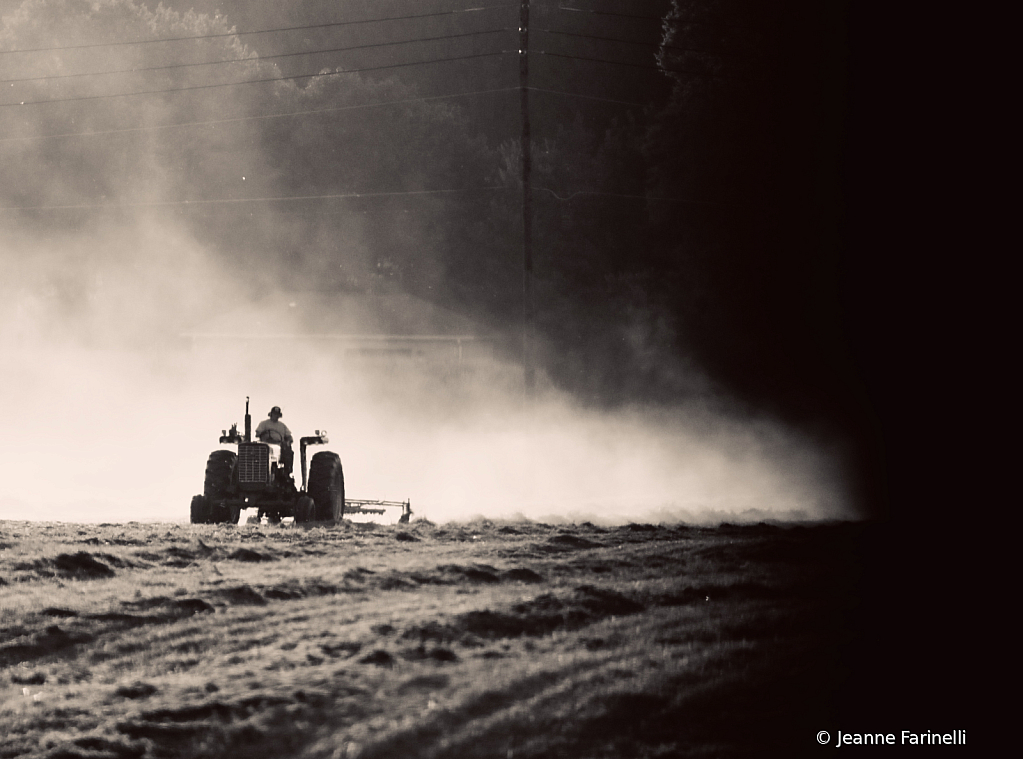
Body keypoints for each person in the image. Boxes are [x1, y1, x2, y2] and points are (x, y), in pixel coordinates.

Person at [255, 406, 294, 475]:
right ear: (271, 414)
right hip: (264, 443)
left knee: (288, 452)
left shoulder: (282, 426)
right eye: (274, 414)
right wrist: (262, 434)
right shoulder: (264, 423)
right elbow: (258, 433)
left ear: (279, 416)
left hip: (278, 444)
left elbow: (289, 437)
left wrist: (288, 441)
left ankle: (287, 472)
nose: (275, 416)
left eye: (277, 414)